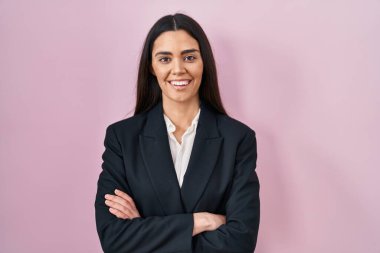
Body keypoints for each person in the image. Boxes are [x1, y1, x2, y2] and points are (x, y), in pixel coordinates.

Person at [94, 13, 260, 253]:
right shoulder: (122, 138)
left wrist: (143, 230)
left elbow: (240, 242)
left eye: (189, 57)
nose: (178, 69)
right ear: (151, 67)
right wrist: (200, 221)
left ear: (204, 62)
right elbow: (114, 239)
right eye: (164, 59)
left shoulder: (238, 139)